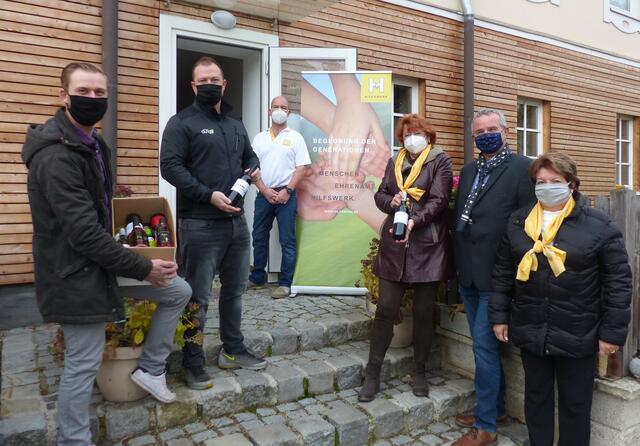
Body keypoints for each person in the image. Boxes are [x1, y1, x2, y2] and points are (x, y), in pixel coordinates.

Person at [22, 62, 192, 446]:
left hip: (101, 262)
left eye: (101, 93)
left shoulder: (94, 144)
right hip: (73, 271)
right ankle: (74, 440)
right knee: (82, 363)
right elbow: (82, 232)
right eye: (84, 91)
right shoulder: (56, 156)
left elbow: (93, 207)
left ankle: (149, 369)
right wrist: (144, 267)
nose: (93, 99)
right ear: (63, 95)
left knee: (177, 290)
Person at [489, 152, 632, 446]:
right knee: (536, 398)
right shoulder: (519, 222)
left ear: (571, 184)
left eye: (555, 181)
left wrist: (611, 334)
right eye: (541, 181)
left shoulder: (599, 225)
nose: (547, 186)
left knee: (575, 405)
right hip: (532, 328)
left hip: (578, 333)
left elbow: (618, 283)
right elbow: (503, 271)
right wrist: (500, 316)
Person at [160, 56, 266, 391]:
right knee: (197, 297)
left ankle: (232, 349)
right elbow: (170, 167)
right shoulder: (182, 123)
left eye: (214, 80)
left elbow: (251, 158)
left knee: (234, 292)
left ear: (224, 84)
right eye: (202, 80)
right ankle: (192, 361)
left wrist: (249, 175)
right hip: (200, 224)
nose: (209, 84)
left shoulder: (235, 124)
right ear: (193, 86)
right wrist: (207, 195)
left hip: (236, 224)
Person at [452, 108, 536, 446]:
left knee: (484, 350)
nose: (485, 134)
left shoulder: (522, 169)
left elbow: (527, 223)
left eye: (491, 128)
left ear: (505, 131)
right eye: (479, 131)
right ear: (473, 138)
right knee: (483, 347)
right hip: (469, 274)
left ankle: (485, 426)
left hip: (498, 277)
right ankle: (497, 408)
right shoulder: (470, 169)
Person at [358, 114, 453, 402]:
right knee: (386, 308)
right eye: (406, 134)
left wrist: (415, 220)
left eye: (417, 132)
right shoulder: (395, 162)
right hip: (395, 242)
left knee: (424, 312)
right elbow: (380, 195)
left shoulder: (440, 160)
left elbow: (439, 199)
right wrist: (392, 202)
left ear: (428, 135)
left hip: (427, 244)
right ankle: (373, 373)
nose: (411, 138)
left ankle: (420, 370)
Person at [248, 95, 310, 298]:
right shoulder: (259, 138)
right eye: (276, 106)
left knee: (287, 240)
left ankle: (285, 283)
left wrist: (288, 191)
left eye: (283, 107)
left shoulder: (295, 138)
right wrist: (264, 190)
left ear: (289, 113)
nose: (279, 110)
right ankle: (257, 277)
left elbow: (302, 168)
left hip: (287, 195)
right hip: (263, 194)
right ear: (269, 111)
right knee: (258, 237)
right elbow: (252, 168)